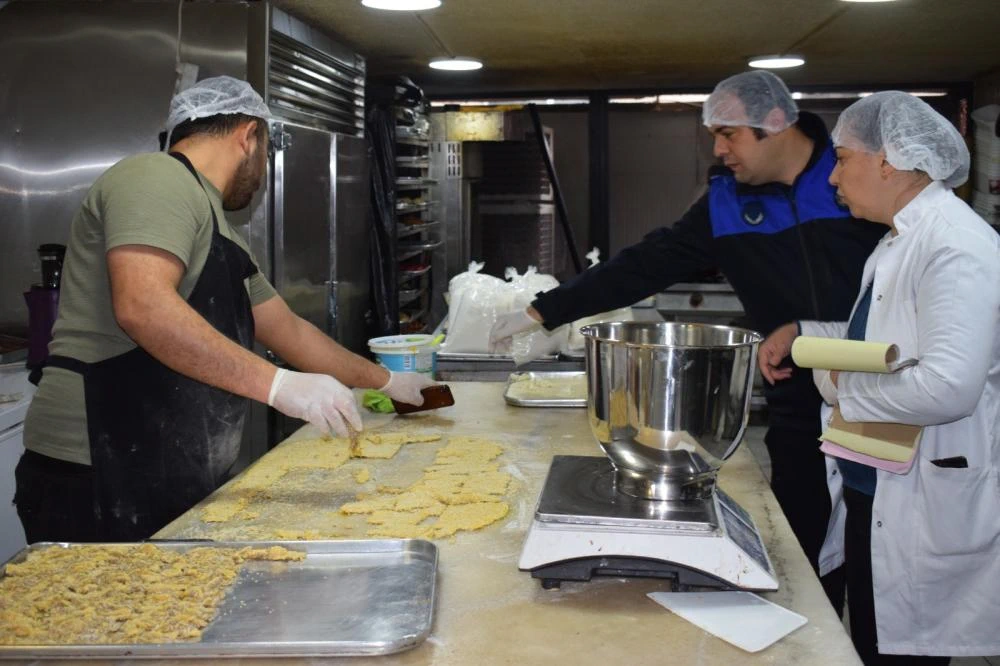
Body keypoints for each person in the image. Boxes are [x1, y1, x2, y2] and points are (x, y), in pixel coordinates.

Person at [490, 71, 887, 613]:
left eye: (730, 135)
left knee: (876, 561)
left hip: (882, 400)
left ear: (775, 125)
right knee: (802, 552)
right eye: (715, 138)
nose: (720, 151)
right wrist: (544, 309)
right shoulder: (725, 202)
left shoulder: (854, 184)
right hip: (796, 401)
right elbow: (647, 263)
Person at [15, 76, 434, 543]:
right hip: (96, 466)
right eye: (267, 150)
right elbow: (143, 307)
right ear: (249, 136)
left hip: (164, 466)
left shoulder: (223, 234)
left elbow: (288, 330)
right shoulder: (156, 177)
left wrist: (389, 382)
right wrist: (277, 385)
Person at [758, 91, 1000, 665]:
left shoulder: (956, 246)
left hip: (924, 494)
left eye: (843, 159)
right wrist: (807, 333)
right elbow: (891, 338)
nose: (833, 178)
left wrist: (838, 386)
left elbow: (948, 386)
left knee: (899, 657)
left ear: (888, 161)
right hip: (878, 485)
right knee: (870, 643)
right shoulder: (898, 240)